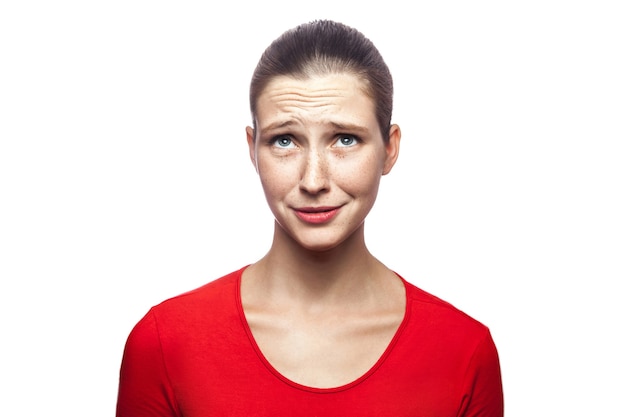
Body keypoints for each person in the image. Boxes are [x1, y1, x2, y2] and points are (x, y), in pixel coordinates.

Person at [116, 19, 504, 416]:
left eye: (345, 140)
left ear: (389, 149)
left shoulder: (463, 351)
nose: (313, 180)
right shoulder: (166, 343)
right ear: (253, 149)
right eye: (284, 141)